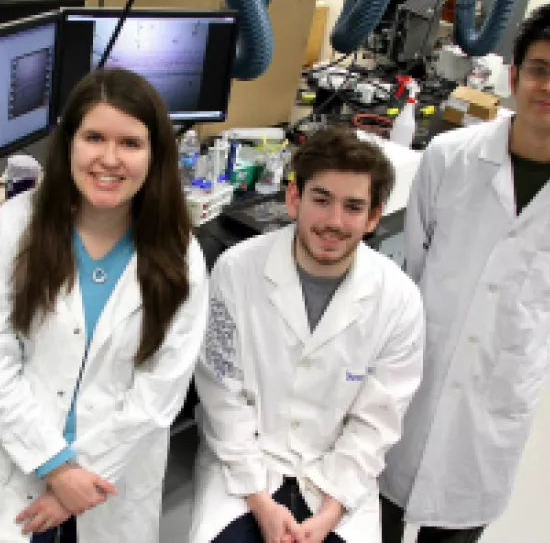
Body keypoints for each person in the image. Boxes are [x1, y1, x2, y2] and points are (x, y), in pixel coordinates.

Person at [0, 68, 209, 542]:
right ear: (68, 141)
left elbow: (161, 390)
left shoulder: (179, 255)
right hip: (17, 462)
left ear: (155, 155)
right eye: (94, 137)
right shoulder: (13, 229)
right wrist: (54, 466)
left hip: (114, 478)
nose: (109, 159)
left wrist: (78, 482)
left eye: (131, 143)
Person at [189, 126, 425, 543]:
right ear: (294, 198)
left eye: (353, 207)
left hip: (335, 477)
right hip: (246, 468)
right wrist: (261, 501)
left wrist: (330, 511)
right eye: (321, 200)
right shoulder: (237, 269)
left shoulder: (400, 300)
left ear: (373, 217)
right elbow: (222, 395)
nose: (334, 222)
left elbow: (376, 423)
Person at [379, 3, 550, 543]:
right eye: (542, 69)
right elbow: (416, 267)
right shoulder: (449, 158)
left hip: (496, 400)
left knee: (454, 529)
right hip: (412, 382)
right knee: (369, 519)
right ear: (516, 75)